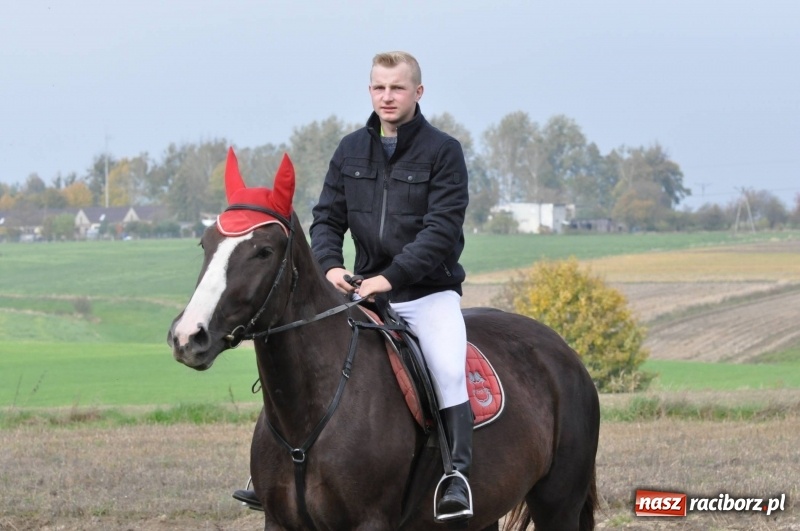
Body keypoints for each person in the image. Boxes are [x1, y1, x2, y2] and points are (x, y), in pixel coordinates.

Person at [309, 51, 473, 522]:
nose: (387, 96)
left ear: (417, 93)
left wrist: (389, 277)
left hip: (427, 294)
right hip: (360, 293)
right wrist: (329, 266)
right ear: (370, 91)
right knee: (306, 361)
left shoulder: (444, 151)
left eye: (397, 88)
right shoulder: (348, 150)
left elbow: (440, 232)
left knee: (446, 370)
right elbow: (326, 218)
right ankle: (278, 471)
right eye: (379, 87)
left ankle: (456, 477)